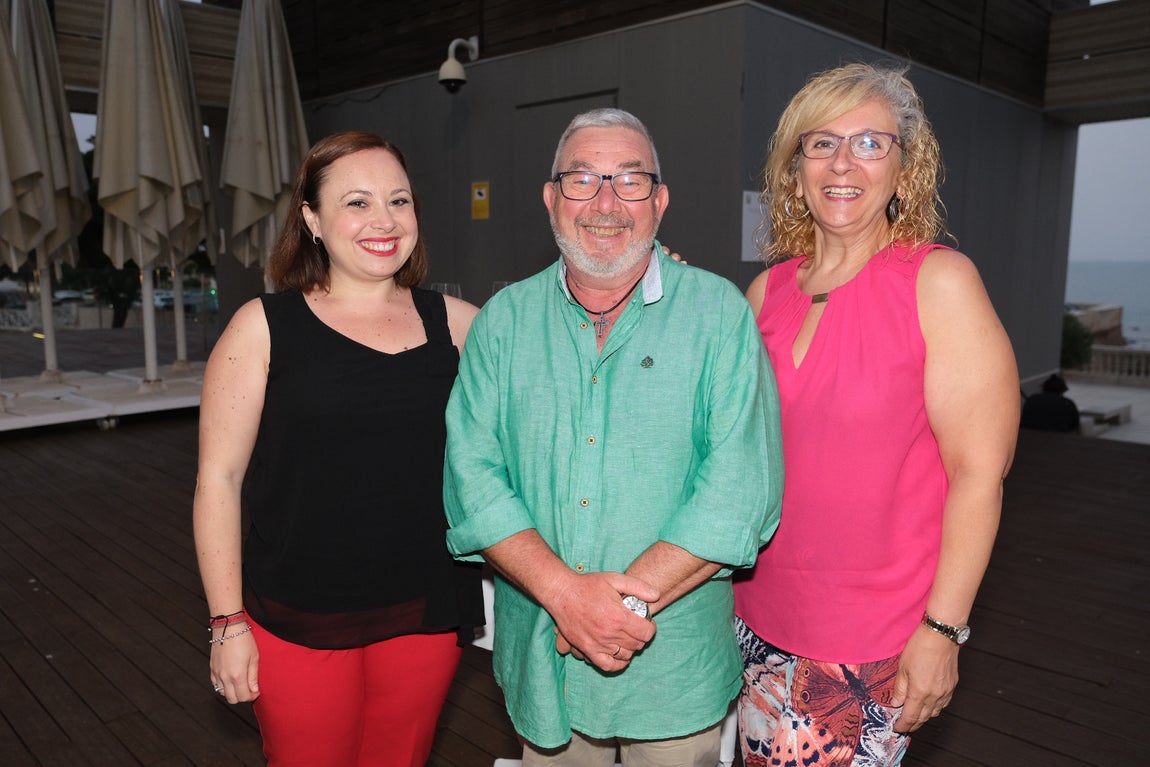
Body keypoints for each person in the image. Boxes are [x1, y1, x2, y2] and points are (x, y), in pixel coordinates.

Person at [443, 108, 784, 765]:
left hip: (672, 668)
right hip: (547, 662)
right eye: (582, 179)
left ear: (659, 201)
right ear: (550, 199)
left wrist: (610, 608)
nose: (605, 202)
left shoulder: (720, 317)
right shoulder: (503, 324)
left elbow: (740, 496)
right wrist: (566, 597)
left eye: (629, 181)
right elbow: (472, 481)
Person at [733, 63, 1020, 766]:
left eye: (869, 143)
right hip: (750, 622)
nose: (842, 162)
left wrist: (943, 630)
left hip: (871, 646)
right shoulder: (763, 292)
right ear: (795, 166)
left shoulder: (939, 283)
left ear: (905, 165)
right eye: (821, 142)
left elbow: (979, 474)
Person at [192, 131, 483, 767]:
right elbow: (219, 479)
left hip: (425, 609)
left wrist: (643, 287)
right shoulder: (262, 327)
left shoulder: (461, 325)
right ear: (312, 220)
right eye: (357, 202)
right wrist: (227, 623)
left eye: (399, 201)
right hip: (299, 614)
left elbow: (561, 372)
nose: (384, 221)